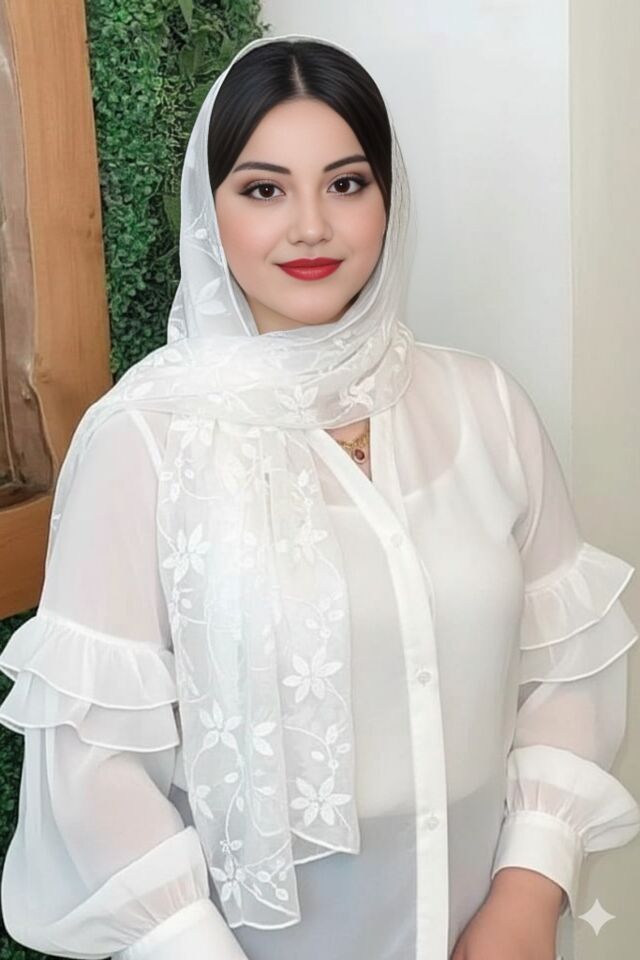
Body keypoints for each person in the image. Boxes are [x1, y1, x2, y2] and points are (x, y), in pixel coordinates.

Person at [0, 31, 638, 960]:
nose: (310, 226)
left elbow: (566, 665)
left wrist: (529, 895)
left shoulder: (485, 406)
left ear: (389, 197)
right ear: (210, 209)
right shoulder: (142, 439)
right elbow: (94, 768)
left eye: (346, 183)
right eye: (264, 190)